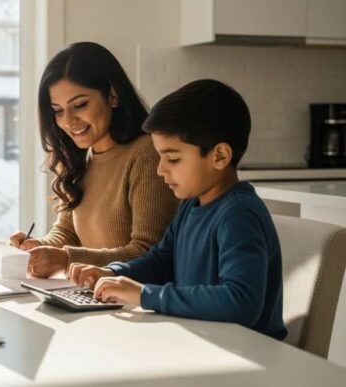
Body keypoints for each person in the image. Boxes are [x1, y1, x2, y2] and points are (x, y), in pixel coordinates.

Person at [69, 79, 287, 340]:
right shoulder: (191, 205)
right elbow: (161, 261)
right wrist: (114, 272)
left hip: (249, 354)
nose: (161, 170)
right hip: (203, 341)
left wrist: (144, 295)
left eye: (173, 159)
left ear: (219, 156)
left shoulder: (239, 215)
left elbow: (241, 303)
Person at [9, 42, 178, 278]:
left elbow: (148, 254)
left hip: (134, 298)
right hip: (96, 293)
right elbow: (67, 233)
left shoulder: (147, 153)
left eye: (80, 105)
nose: (68, 121)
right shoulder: (82, 158)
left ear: (112, 96)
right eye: (58, 110)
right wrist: (36, 248)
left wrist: (66, 259)